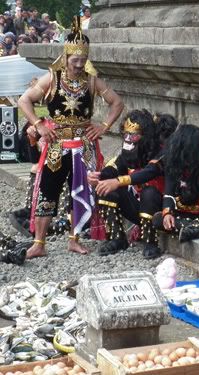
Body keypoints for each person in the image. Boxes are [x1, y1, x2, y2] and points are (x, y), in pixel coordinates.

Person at [17, 16, 124, 259]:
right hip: (56, 146)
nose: (78, 65)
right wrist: (38, 124)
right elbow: (24, 100)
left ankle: (74, 240)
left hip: (84, 145)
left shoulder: (93, 80)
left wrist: (104, 126)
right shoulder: (51, 79)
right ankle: (39, 243)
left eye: (82, 60)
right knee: (47, 191)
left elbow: (117, 103)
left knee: (81, 191)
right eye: (74, 60)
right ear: (65, 57)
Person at [89, 110, 177, 259]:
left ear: (145, 137)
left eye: (133, 135)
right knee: (104, 188)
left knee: (149, 192)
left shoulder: (161, 151)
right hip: (138, 208)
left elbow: (149, 172)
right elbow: (114, 168)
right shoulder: (130, 153)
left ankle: (151, 242)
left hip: (163, 211)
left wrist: (118, 181)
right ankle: (117, 238)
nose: (128, 140)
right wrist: (97, 177)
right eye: (126, 135)